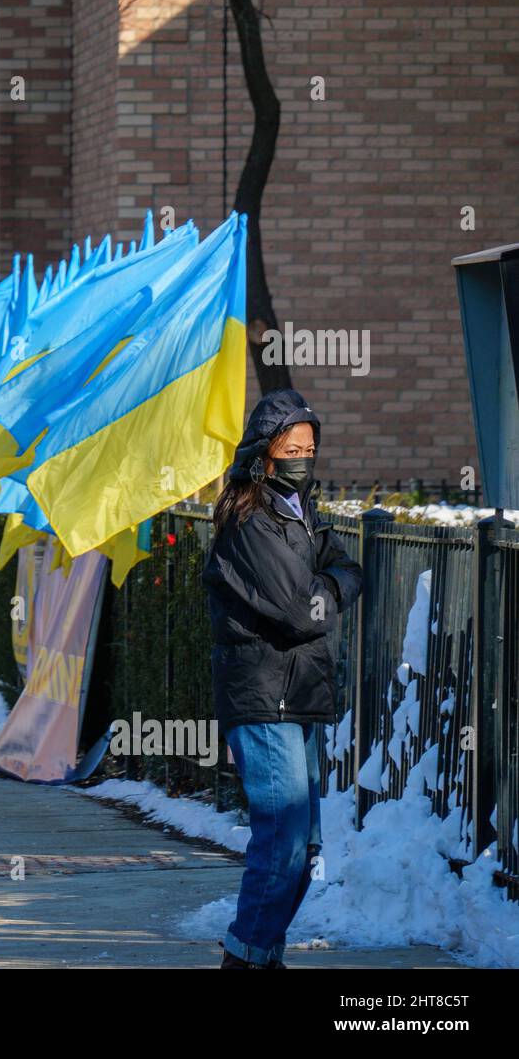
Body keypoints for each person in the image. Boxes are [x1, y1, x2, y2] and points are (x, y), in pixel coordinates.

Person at [202, 389, 362, 968]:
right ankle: (245, 957)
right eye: (290, 448)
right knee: (282, 842)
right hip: (265, 696)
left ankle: (262, 953)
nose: (301, 458)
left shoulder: (301, 513)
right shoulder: (250, 522)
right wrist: (330, 589)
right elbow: (299, 611)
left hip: (300, 694)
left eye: (309, 448)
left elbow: (345, 566)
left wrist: (328, 585)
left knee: (304, 845)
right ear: (263, 453)